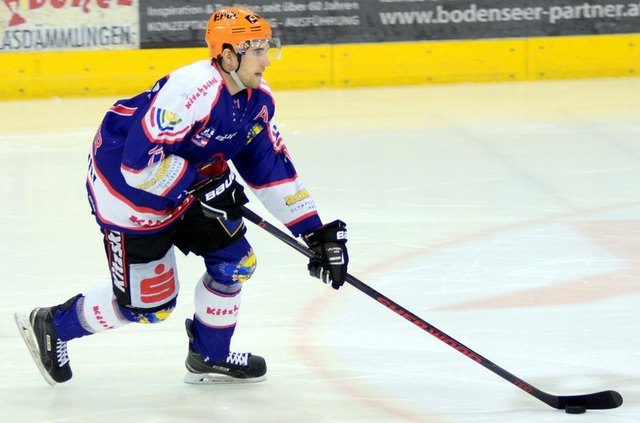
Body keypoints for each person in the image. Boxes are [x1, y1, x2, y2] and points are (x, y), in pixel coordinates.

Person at [14, 7, 349, 386]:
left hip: (189, 183)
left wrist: (313, 231)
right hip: (127, 194)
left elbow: (269, 166)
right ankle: (53, 325)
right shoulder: (188, 92)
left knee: (235, 263)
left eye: (266, 49)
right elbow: (138, 166)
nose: (266, 61)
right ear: (227, 55)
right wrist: (200, 185)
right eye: (256, 51)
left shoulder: (256, 100)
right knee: (149, 309)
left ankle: (211, 354)